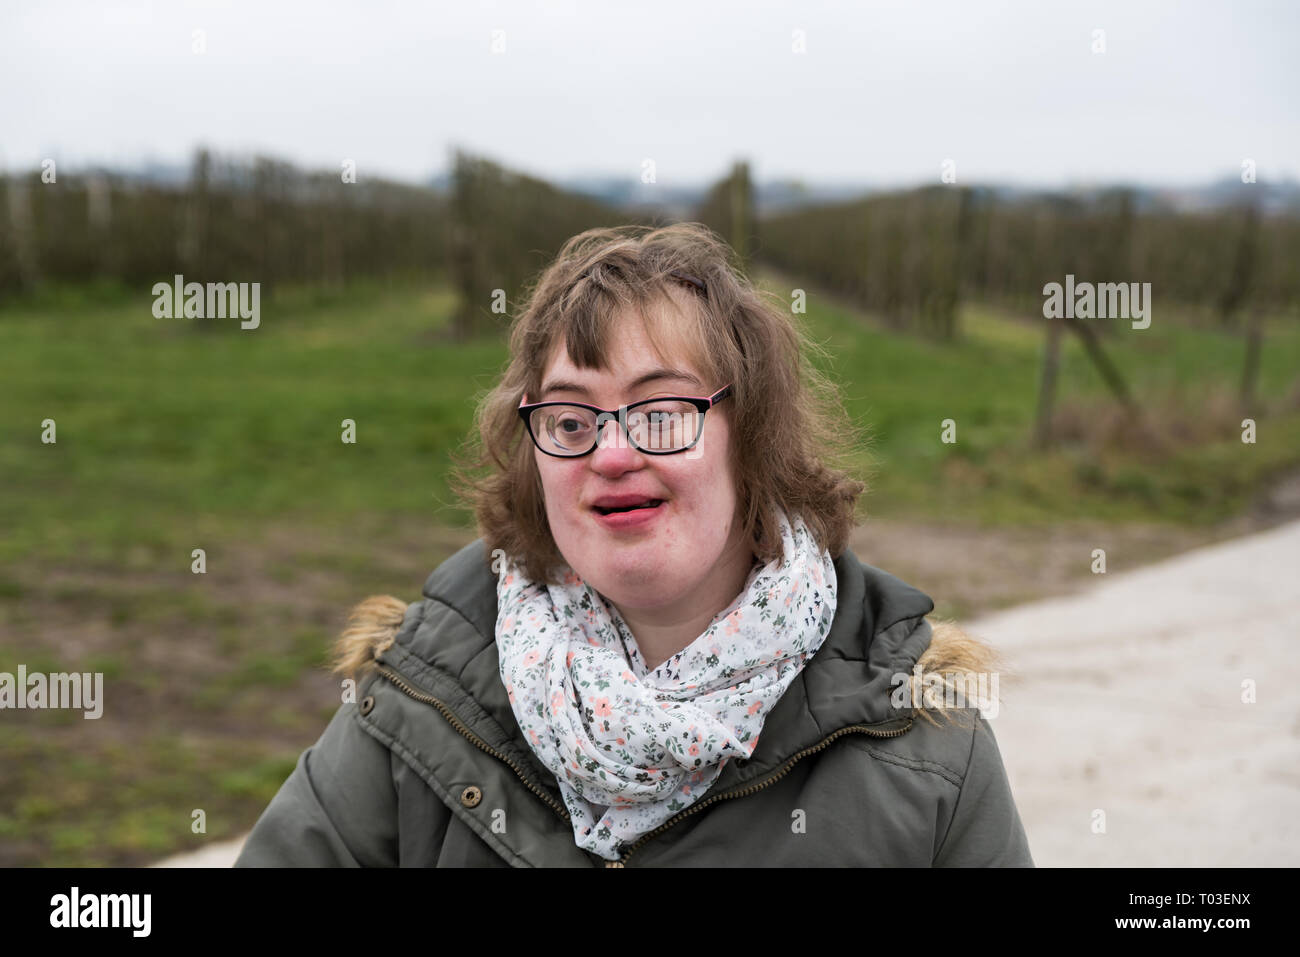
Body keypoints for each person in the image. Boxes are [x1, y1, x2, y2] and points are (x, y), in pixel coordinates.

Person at [234, 223, 1034, 867]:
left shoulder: (927, 752)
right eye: (571, 420)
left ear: (750, 437)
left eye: (661, 412)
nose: (612, 455)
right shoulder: (416, 701)